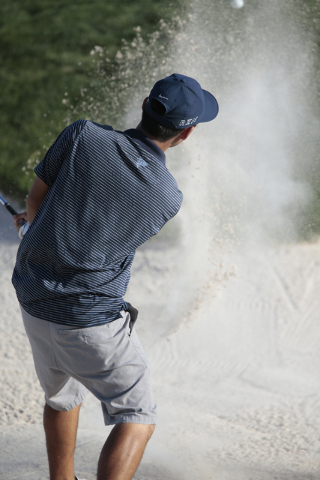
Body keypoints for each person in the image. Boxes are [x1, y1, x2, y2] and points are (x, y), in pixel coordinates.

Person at [12, 73, 218, 480]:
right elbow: (98, 233)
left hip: (34, 303)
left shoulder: (82, 135)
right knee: (137, 415)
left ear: (144, 103)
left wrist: (30, 227)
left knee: (60, 399)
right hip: (90, 322)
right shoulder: (166, 196)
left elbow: (37, 203)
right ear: (187, 135)